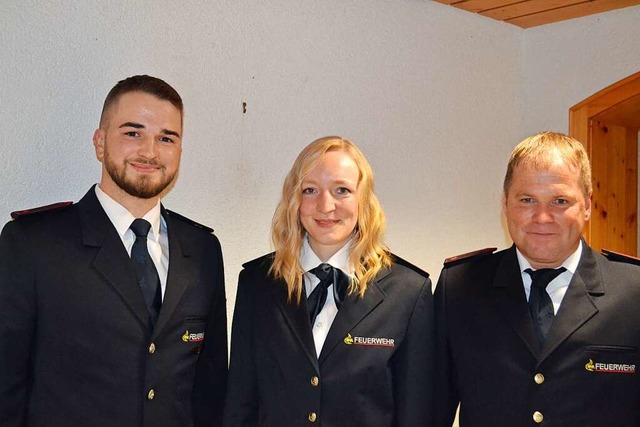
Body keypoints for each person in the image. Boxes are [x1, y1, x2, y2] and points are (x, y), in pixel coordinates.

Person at [0, 75, 227, 427]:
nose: (150, 151)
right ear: (100, 143)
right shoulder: (34, 245)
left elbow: (210, 392)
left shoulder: (203, 251)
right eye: (133, 133)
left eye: (166, 138)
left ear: (180, 152)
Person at [223, 136, 434, 426]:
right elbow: (239, 405)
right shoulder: (257, 284)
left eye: (342, 190)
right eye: (310, 190)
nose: (325, 205)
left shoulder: (408, 292)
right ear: (294, 201)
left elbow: (416, 415)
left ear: (364, 201)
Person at [435, 131, 640, 427]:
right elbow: (429, 410)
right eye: (527, 199)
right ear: (505, 204)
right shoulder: (460, 287)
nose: (542, 217)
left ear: (587, 206)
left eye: (559, 201)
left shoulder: (633, 292)